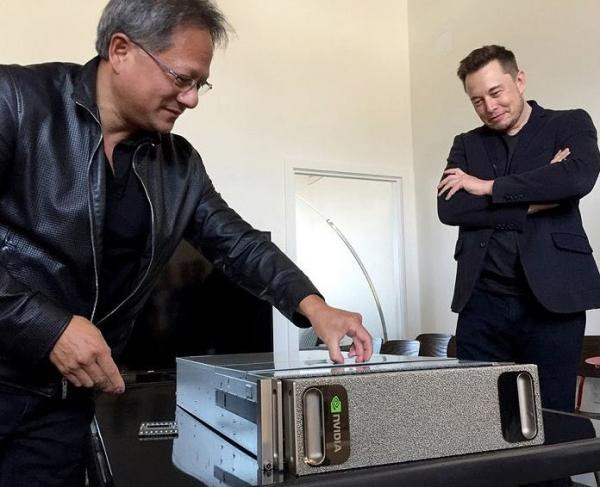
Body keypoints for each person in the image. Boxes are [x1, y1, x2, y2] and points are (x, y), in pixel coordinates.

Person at [0, 1, 372, 485]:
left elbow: (238, 244)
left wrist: (314, 306)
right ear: (121, 50)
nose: (192, 99)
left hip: (63, 408)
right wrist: (48, 327)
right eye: (181, 78)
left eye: (201, 84)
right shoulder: (15, 100)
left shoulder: (180, 165)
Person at [437, 45, 600, 414]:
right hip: (480, 303)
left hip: (553, 301)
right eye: (477, 100)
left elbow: (576, 178)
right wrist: (538, 193)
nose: (489, 106)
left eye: (495, 92)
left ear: (519, 80)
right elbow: (450, 208)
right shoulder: (466, 144)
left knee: (552, 418)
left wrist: (487, 187)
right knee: (481, 420)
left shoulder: (569, 123)